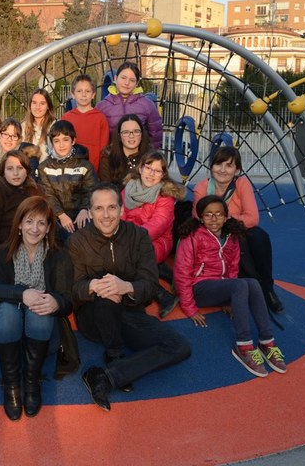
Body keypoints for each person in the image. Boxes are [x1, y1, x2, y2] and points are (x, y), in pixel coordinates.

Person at [68, 183, 191, 411]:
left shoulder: (139, 236)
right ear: (91, 211)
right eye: (99, 208)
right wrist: (94, 286)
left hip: (129, 313)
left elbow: (149, 284)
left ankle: (105, 376)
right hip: (95, 318)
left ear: (122, 209)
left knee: (180, 345)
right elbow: (72, 290)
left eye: (112, 207)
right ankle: (114, 355)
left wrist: (125, 286)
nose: (106, 215)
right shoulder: (77, 241)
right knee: (105, 297)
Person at [173, 195, 287, 377]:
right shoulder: (193, 238)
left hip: (221, 286)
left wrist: (230, 297)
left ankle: (267, 341)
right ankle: (244, 346)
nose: (213, 218)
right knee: (240, 285)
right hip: (200, 288)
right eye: (208, 214)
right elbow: (181, 274)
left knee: (252, 283)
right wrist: (190, 308)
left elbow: (233, 269)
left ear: (226, 217)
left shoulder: (231, 237)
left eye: (218, 214)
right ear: (201, 218)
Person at [0, 196, 73, 420]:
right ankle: (11, 385)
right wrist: (22, 294)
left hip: (43, 336)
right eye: (29, 221)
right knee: (7, 311)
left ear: (49, 227)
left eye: (41, 223)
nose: (35, 228)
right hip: (3, 333)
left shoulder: (58, 257)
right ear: (20, 224)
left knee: (41, 310)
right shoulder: (2, 253)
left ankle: (31, 382)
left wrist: (57, 302)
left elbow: (69, 300)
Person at [192, 146, 283, 313]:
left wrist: (225, 219)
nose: (223, 170)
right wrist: (225, 221)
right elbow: (198, 217)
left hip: (235, 227)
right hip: (212, 231)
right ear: (211, 167)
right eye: (219, 164)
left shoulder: (242, 184)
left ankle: (268, 288)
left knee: (259, 236)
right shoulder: (202, 187)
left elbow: (252, 218)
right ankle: (251, 287)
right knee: (237, 242)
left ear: (237, 170)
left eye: (229, 165)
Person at [121, 151, 186, 318]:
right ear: (140, 168)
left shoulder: (165, 196)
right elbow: (121, 216)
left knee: (127, 260)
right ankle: (160, 269)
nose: (151, 173)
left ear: (163, 175)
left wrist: (129, 239)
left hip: (158, 241)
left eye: (157, 171)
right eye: (148, 167)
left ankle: (164, 296)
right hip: (131, 237)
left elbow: (158, 225)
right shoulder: (129, 188)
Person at [0, 150, 45, 262]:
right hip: (7, 250)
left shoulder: (36, 190)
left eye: (20, 168)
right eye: (10, 169)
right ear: (3, 171)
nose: (15, 173)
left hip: (35, 246)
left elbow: (47, 221)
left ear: (27, 170)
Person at [38, 120, 97, 239]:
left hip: (81, 214)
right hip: (55, 216)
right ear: (52, 143)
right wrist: (61, 215)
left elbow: (91, 190)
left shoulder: (85, 166)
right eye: (56, 141)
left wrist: (84, 209)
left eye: (65, 140)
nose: (61, 145)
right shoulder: (44, 167)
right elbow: (48, 194)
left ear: (73, 141)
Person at [96, 61, 163, 149]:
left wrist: (149, 157)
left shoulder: (147, 105)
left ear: (137, 83)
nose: (127, 83)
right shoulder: (102, 106)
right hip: (111, 158)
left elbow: (155, 135)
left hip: (139, 158)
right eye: (123, 78)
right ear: (115, 78)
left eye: (132, 80)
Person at [61, 74, 109, 172]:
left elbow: (103, 149)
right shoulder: (67, 117)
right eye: (79, 91)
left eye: (87, 91)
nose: (83, 95)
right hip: (70, 170)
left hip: (93, 170)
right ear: (73, 94)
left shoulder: (100, 118)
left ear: (93, 94)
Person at [0, 118, 39, 190]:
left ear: (19, 139)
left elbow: (30, 185)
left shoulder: (28, 156)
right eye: (5, 134)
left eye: (14, 136)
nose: (9, 139)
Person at [98, 114, 152, 190]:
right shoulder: (108, 157)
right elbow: (106, 188)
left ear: (142, 134)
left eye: (136, 131)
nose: (131, 136)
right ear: (119, 136)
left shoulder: (151, 157)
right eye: (126, 132)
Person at [22, 89, 55, 162]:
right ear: (30, 105)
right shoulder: (23, 127)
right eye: (34, 103)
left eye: (42, 103)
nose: (37, 107)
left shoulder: (55, 126)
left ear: (48, 106)